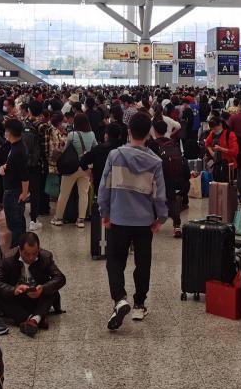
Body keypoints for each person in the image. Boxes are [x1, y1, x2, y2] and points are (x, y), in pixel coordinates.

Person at [98, 112, 168, 331]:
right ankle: (139, 304)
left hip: (119, 218)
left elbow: (104, 188)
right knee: (143, 262)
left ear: (129, 132)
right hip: (144, 221)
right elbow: (159, 194)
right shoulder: (155, 162)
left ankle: (120, 299)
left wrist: (104, 212)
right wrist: (161, 218)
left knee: (115, 260)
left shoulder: (115, 156)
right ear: (148, 134)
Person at [0, 231, 67, 337]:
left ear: (39, 250)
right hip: (18, 299)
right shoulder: (8, 258)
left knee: (51, 290)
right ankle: (35, 319)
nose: (31, 258)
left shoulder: (45, 257)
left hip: (39, 298)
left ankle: (31, 320)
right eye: (26, 254)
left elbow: (60, 278)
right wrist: (14, 290)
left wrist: (42, 288)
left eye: (34, 254)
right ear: (19, 250)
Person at [52, 113, 96, 228]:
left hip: (71, 167)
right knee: (83, 194)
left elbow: (65, 150)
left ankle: (58, 218)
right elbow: (95, 148)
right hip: (85, 168)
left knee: (64, 193)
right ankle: (80, 220)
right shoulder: (92, 134)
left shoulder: (72, 135)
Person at [0, 118, 30, 248]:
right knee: (17, 220)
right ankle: (21, 245)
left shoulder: (18, 150)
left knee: (14, 222)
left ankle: (17, 248)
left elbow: (24, 174)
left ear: (10, 132)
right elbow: (13, 166)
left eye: (6, 131)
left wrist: (24, 192)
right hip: (13, 188)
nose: (5, 133)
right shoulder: (17, 146)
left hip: (14, 191)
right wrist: (3, 167)